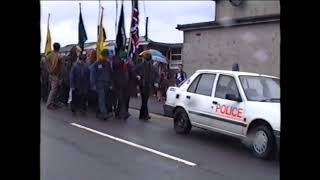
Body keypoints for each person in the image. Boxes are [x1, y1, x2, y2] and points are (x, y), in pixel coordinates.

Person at [134, 52, 160, 120]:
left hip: (149, 85)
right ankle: (145, 115)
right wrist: (137, 75)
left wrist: (156, 82)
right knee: (144, 100)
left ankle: (141, 115)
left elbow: (157, 75)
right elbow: (134, 71)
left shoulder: (152, 67)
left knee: (144, 100)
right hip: (143, 84)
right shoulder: (140, 65)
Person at [90, 49, 114, 120]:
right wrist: (93, 84)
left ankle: (102, 111)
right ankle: (103, 113)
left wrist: (111, 83)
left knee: (105, 98)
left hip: (106, 83)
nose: (107, 57)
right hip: (99, 83)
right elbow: (93, 74)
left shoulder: (108, 63)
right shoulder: (97, 63)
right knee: (101, 98)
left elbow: (110, 74)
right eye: (106, 55)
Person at [113, 50, 134, 121]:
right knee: (120, 99)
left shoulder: (128, 64)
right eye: (123, 57)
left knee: (123, 99)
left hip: (126, 84)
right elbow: (115, 66)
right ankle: (122, 113)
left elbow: (131, 72)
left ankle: (120, 113)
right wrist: (122, 62)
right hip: (118, 84)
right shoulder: (117, 62)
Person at [69, 46, 90, 115]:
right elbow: (71, 76)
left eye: (83, 61)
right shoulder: (75, 66)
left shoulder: (86, 66)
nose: (82, 62)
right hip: (76, 84)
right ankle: (73, 109)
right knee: (75, 97)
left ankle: (83, 109)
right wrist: (72, 85)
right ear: (79, 59)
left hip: (84, 84)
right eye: (81, 60)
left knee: (83, 97)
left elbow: (88, 75)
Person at [46, 42, 63, 110]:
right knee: (54, 90)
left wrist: (49, 70)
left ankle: (54, 102)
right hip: (56, 75)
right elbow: (61, 67)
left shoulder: (49, 55)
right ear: (59, 48)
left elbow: (46, 63)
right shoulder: (59, 56)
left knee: (54, 90)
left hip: (51, 74)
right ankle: (49, 104)